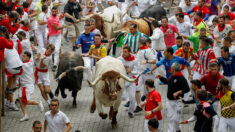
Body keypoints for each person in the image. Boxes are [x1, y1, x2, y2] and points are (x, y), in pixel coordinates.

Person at [156, 63, 190, 132]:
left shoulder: (182, 78)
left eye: (171, 68)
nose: (170, 70)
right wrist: (160, 77)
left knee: (176, 119)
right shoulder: (172, 76)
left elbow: (187, 89)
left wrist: (178, 92)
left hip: (178, 102)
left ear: (174, 70)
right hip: (169, 101)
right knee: (170, 118)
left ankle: (177, 129)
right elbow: (167, 81)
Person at [18, 51, 44, 121]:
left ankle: (38, 103)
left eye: (24, 56)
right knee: (20, 100)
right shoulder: (26, 63)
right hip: (22, 86)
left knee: (25, 101)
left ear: (28, 57)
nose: (22, 57)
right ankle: (26, 115)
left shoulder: (27, 64)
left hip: (28, 86)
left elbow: (17, 66)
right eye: (22, 56)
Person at [135, 37, 156, 113]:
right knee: (136, 89)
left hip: (147, 74)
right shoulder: (140, 50)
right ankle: (138, 105)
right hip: (139, 73)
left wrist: (146, 61)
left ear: (140, 43)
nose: (137, 44)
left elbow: (154, 61)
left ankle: (149, 105)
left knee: (148, 91)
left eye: (138, 42)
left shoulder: (148, 51)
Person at [118, 45, 137, 118]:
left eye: (125, 52)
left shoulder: (134, 60)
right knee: (123, 98)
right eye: (123, 52)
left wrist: (131, 71)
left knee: (132, 98)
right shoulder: (119, 59)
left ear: (130, 52)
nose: (124, 53)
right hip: (122, 80)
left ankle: (131, 112)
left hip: (131, 80)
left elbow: (136, 71)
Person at [48, 6, 66, 72]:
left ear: (57, 11)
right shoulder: (50, 18)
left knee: (57, 50)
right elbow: (57, 28)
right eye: (53, 11)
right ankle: (51, 62)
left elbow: (58, 19)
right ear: (51, 11)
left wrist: (61, 17)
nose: (54, 13)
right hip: (52, 36)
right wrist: (63, 26)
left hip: (58, 36)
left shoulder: (57, 15)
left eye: (55, 11)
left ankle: (55, 65)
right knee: (51, 50)